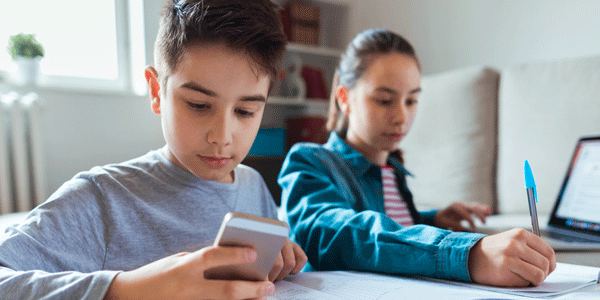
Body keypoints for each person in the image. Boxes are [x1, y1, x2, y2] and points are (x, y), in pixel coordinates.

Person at [0, 0, 307, 299]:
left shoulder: (253, 185)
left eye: (245, 111)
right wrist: (125, 290)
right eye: (199, 105)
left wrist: (282, 257)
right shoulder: (103, 199)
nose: (222, 137)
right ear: (157, 91)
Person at [278, 28, 555, 287]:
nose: (401, 117)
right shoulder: (309, 161)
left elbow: (391, 229)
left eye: (411, 101)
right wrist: (467, 255)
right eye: (385, 100)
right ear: (344, 98)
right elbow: (337, 232)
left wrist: (431, 220)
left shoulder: (393, 171)